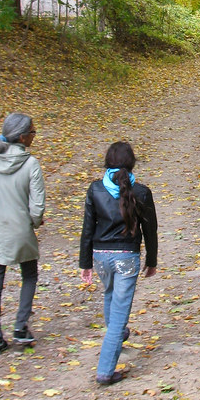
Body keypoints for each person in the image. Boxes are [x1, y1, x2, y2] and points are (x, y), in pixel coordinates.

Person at [79, 141, 158, 385]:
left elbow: (87, 229)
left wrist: (85, 263)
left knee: (110, 294)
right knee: (119, 314)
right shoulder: (142, 192)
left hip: (101, 256)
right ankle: (105, 371)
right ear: (132, 163)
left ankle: (118, 334)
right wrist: (151, 260)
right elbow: (150, 230)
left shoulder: (95, 189)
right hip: (127, 258)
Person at [0, 113, 45, 355]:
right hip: (20, 229)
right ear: (23, 137)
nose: (34, 137)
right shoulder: (30, 164)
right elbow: (37, 206)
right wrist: (34, 223)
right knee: (30, 275)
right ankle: (20, 326)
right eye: (33, 133)